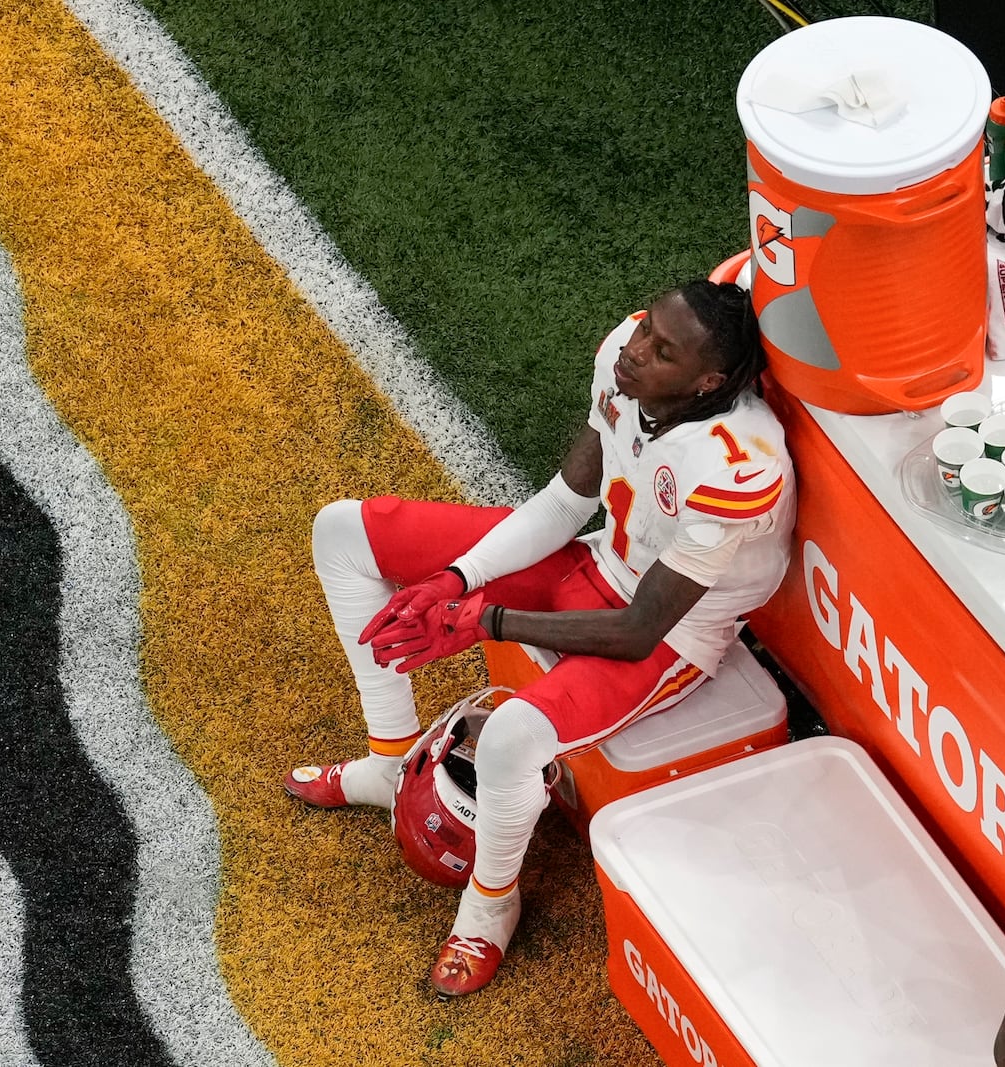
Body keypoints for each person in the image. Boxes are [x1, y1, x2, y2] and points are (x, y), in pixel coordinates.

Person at [285, 279, 795, 997]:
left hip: (671, 634)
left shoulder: (738, 464)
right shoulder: (624, 356)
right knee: (343, 530)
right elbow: (565, 500)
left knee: (511, 737)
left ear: (708, 381)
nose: (636, 349)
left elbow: (638, 627)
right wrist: (460, 579)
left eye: (663, 349)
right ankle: (389, 760)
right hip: (596, 559)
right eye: (647, 328)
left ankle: (491, 904)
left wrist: (486, 621)